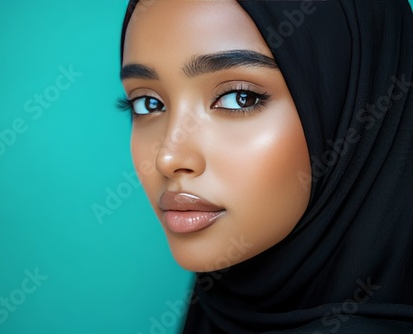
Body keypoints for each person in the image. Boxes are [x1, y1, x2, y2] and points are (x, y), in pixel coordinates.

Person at [117, 0, 413, 332]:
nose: (168, 158)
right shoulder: (225, 302)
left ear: (351, 102)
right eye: (148, 103)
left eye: (239, 98)